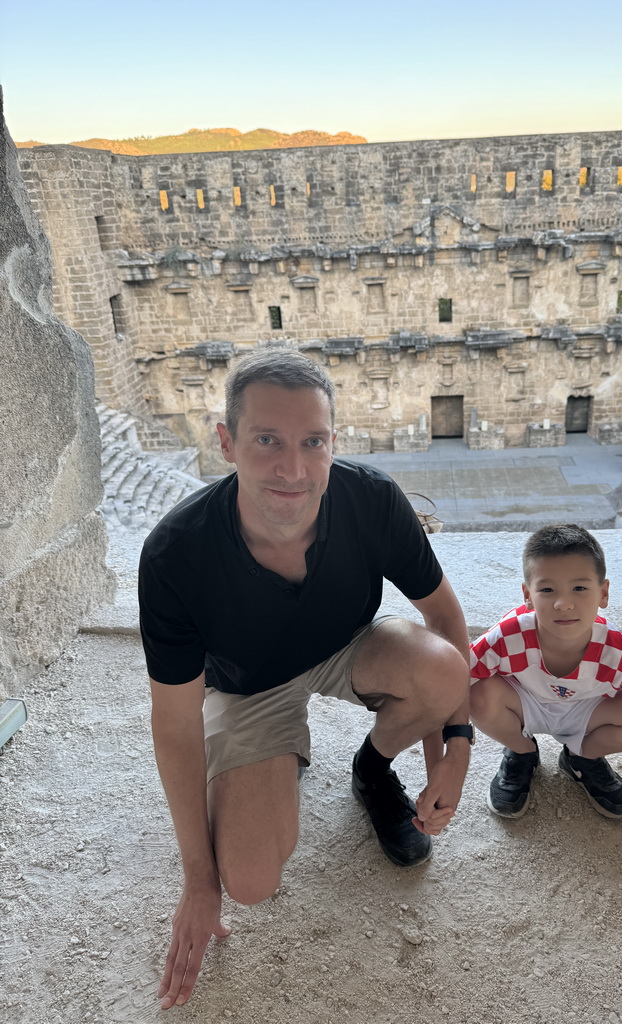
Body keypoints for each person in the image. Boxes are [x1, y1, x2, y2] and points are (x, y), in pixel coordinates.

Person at [138, 349, 471, 1009]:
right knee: (252, 879)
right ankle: (268, 759)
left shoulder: (370, 498)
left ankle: (372, 769)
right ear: (226, 442)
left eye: (311, 442)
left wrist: (452, 752)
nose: (292, 469)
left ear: (332, 443)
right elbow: (174, 724)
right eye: (267, 441)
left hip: (347, 644)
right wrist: (199, 881)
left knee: (441, 672)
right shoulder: (176, 555)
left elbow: (444, 616)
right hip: (248, 685)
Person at [469, 523, 622, 875]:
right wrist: (450, 750)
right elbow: (450, 686)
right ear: (527, 595)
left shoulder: (620, 654)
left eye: (580, 587)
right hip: (522, 704)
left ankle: (581, 756)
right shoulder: (505, 637)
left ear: (603, 593)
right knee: (477, 693)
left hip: (588, 713)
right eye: (547, 589)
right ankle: (522, 751)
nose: (564, 603)